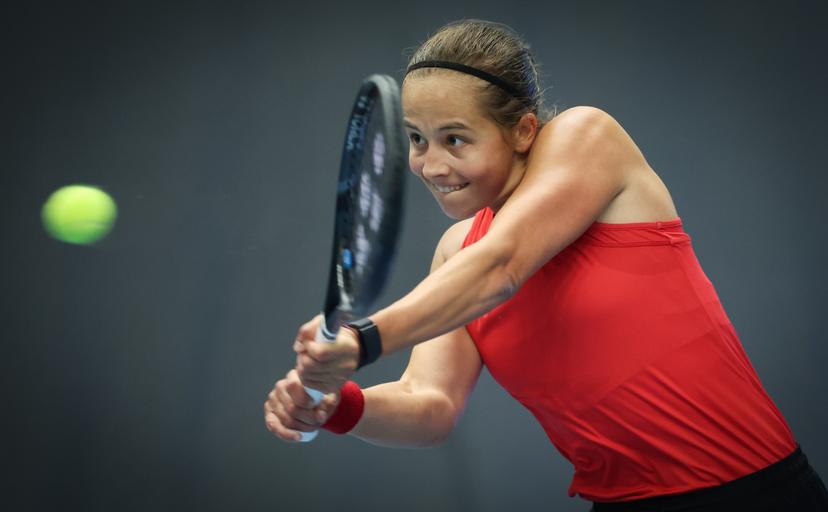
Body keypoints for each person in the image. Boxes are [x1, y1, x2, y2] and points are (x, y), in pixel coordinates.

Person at [264, 19, 828, 511]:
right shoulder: (458, 255)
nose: (430, 165)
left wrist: (360, 342)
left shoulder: (588, 136)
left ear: (524, 130)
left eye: (454, 139)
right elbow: (429, 406)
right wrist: (340, 407)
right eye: (416, 139)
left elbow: (503, 266)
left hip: (754, 492)